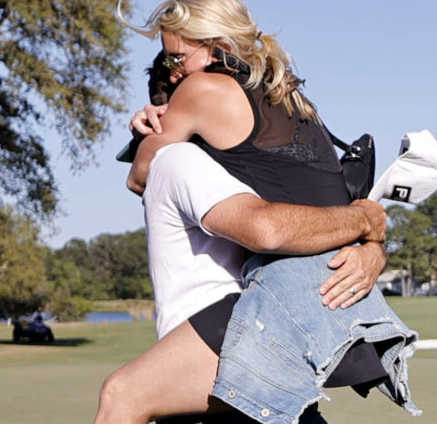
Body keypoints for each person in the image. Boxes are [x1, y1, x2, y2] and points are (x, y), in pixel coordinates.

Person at [123, 0, 420, 423]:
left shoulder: (202, 88)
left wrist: (151, 125)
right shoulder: (296, 100)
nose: (172, 73)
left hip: (286, 298)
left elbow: (141, 176)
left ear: (219, 47)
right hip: (336, 296)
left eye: (177, 58)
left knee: (122, 397)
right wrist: (370, 241)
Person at [96, 55, 389, 423]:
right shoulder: (180, 159)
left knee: (123, 396)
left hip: (238, 359)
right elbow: (267, 228)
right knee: (122, 396)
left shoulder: (231, 167)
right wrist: (365, 221)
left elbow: (299, 226)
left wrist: (373, 249)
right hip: (221, 355)